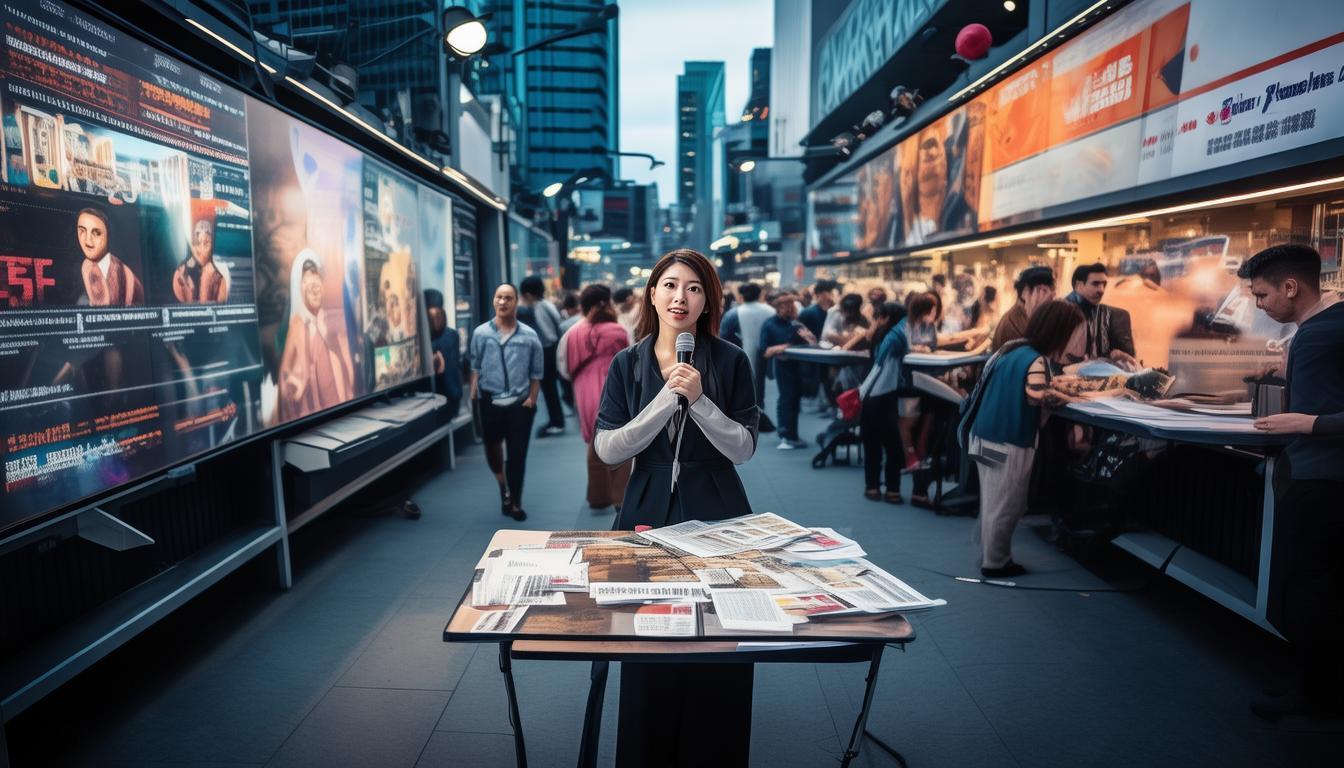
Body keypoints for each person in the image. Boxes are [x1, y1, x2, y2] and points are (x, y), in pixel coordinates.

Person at [592, 249, 758, 766]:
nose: (679, 297)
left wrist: (701, 401)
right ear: (652, 293)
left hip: (718, 502)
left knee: (722, 630)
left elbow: (744, 448)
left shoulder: (730, 360)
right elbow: (609, 448)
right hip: (646, 502)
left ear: (707, 298)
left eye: (692, 287)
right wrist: (666, 398)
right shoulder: (628, 361)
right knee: (647, 632)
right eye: (669, 285)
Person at [1239, 244, 1344, 721]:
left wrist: (1304, 424)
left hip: (1322, 480)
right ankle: (1312, 683)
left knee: (1309, 589)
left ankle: (1315, 694)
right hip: (1312, 474)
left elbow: (1321, 413)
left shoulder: (1326, 332)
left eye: (1261, 295)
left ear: (1290, 287)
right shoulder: (1314, 331)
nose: (1259, 305)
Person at [967, 300, 1085, 577]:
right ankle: (995, 563)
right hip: (1008, 440)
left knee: (994, 501)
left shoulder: (1012, 350)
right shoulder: (1035, 359)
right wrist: (1069, 396)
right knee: (1008, 503)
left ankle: (993, 554)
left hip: (984, 437)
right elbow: (1036, 396)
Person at [470, 283, 543, 521]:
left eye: (508, 298)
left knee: (518, 453)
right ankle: (503, 485)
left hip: (520, 403)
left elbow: (536, 372)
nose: (503, 302)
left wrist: (532, 399)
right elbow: (475, 366)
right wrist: (474, 396)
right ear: (493, 301)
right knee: (492, 447)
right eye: (499, 297)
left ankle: (516, 502)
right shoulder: (481, 333)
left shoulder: (529, 336)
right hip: (490, 400)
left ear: (516, 302)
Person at [567, 284, 633, 511]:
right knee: (621, 441)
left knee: (594, 444)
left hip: (584, 391)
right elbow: (631, 362)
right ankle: (619, 496)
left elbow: (564, 366)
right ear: (605, 303)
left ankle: (598, 495)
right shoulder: (618, 331)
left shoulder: (574, 333)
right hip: (615, 389)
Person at [277, 254, 355, 423]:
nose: (314, 288)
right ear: (300, 288)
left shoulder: (329, 323)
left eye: (317, 280)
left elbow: (346, 369)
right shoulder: (297, 326)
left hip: (340, 413)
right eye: (307, 282)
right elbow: (286, 379)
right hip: (313, 418)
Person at [858, 301, 909, 502]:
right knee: (892, 446)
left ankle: (872, 487)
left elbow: (876, 368)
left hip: (870, 396)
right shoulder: (899, 337)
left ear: (886, 317)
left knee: (871, 444)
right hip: (887, 396)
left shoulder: (882, 337)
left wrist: (862, 392)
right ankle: (893, 490)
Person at [761, 293, 816, 449]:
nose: (791, 308)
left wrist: (809, 338)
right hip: (782, 366)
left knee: (795, 399)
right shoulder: (769, 324)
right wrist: (787, 346)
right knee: (787, 398)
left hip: (799, 366)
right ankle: (785, 434)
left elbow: (813, 343)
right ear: (779, 308)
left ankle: (792, 435)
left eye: (792, 305)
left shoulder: (796, 324)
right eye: (787, 305)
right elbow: (765, 350)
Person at [517, 275, 566, 436]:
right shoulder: (546, 305)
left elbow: (547, 334)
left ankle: (557, 422)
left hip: (547, 351)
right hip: (551, 350)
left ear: (529, 294)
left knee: (549, 389)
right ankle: (556, 421)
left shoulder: (539, 308)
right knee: (550, 388)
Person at [1065, 263, 1137, 368]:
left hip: (1105, 379)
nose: (1102, 290)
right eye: (1095, 284)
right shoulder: (1059, 314)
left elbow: (1129, 360)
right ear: (1078, 285)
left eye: (1104, 284)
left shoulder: (1116, 316)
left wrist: (1121, 356)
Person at [895, 293, 937, 470]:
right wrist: (922, 349)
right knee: (908, 419)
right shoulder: (905, 325)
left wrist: (925, 349)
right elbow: (906, 348)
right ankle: (908, 454)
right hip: (907, 379)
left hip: (927, 378)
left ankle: (920, 451)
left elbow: (933, 346)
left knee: (927, 416)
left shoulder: (930, 326)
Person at [731, 282, 777, 432]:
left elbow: (725, 335)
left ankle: (746, 419)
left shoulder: (735, 313)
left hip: (739, 355)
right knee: (760, 387)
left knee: (741, 388)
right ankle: (758, 415)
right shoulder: (770, 310)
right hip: (765, 355)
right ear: (760, 294)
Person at [75, 207, 143, 306]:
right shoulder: (86, 265)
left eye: (97, 233)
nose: (87, 241)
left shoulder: (119, 272)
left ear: (109, 236)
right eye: (82, 231)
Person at [173, 201, 231, 303]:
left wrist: (206, 283)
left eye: (206, 244)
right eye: (196, 243)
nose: (200, 250)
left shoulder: (221, 274)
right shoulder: (180, 273)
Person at [993, 266, 1056, 350]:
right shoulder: (1014, 323)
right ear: (1026, 292)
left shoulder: (1026, 315)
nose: (1053, 294)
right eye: (1044, 290)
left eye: (1052, 289)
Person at [424, 289, 462, 419]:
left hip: (444, 402)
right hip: (439, 401)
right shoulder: (451, 335)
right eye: (431, 317)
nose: (435, 320)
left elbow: (450, 375)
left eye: (437, 315)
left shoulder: (450, 337)